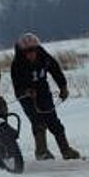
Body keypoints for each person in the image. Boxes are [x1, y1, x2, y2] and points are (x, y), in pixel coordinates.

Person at [10, 32, 80, 160]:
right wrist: (26, 91)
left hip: (43, 92)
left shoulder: (44, 57)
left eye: (33, 50)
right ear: (23, 51)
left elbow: (56, 70)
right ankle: (41, 152)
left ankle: (66, 150)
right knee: (38, 121)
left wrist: (63, 87)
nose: (31, 53)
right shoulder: (17, 64)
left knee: (53, 120)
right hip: (26, 97)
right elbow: (17, 86)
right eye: (28, 51)